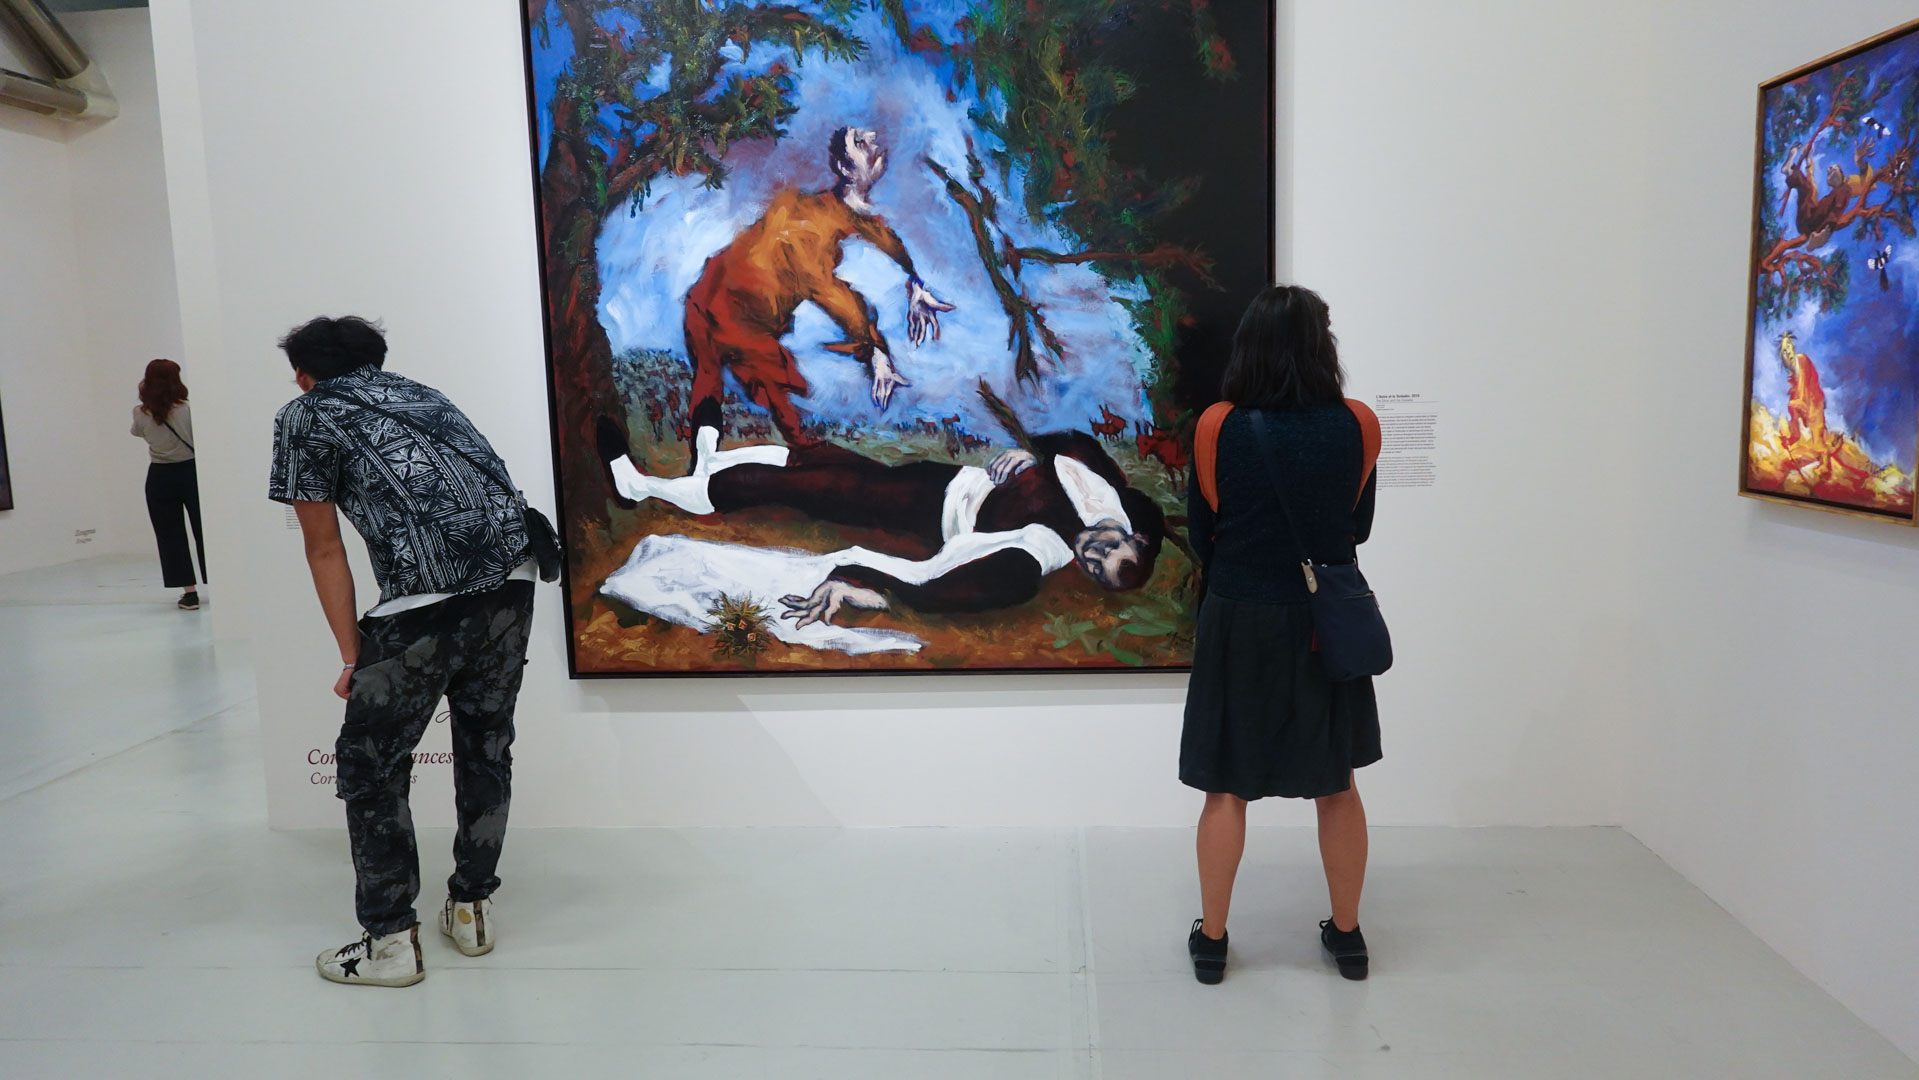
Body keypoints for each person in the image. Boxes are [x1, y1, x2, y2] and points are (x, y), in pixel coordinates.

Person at [269, 316, 537, 988]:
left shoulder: (306, 413)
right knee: (485, 744)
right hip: (514, 582)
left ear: (303, 373)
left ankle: (388, 942)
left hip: (425, 601)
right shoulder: (423, 393)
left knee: (369, 766)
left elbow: (323, 546)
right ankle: (472, 910)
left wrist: (351, 655)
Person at [1179, 284, 1382, 985]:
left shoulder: (1216, 426)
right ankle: (1348, 939)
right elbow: (1356, 528)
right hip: (1324, 623)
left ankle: (1211, 942)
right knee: (1337, 782)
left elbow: (1202, 533)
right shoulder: (1358, 424)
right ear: (1322, 345)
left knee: (1225, 787)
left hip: (1237, 615)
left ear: (1249, 345)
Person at [598, 419, 1162, 631]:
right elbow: (1070, 450)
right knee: (834, 467)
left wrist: (867, 581)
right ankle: (708, 463)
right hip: (948, 478)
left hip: (931, 508)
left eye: (1096, 569)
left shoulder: (1045, 550)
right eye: (1107, 550)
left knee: (823, 488)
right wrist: (1030, 455)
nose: (1090, 553)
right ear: (1132, 537)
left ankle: (649, 487)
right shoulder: (1107, 493)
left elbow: (947, 584)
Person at [678, 125, 955, 459]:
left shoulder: (844, 214)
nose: (872, 142)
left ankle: (718, 464)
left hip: (739, 312)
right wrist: (874, 349)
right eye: (860, 142)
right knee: (742, 385)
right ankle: (716, 466)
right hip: (723, 305)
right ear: (844, 168)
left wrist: (916, 282)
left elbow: (880, 234)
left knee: (749, 389)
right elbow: (828, 290)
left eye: (870, 139)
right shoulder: (811, 219)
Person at [130, 359, 207, 609]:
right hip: (192, 472)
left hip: (160, 476)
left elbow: (137, 432)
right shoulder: (188, 410)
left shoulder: (140, 412)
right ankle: (219, 583)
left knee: (170, 535)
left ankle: (190, 593)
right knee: (205, 530)